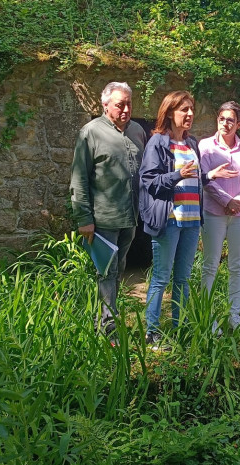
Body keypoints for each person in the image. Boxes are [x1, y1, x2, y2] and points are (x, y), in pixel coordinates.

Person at [139, 91, 238, 347]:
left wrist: (209, 175)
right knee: (161, 277)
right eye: (184, 110)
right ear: (170, 112)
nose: (190, 114)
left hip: (192, 220)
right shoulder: (158, 143)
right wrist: (177, 175)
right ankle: (152, 332)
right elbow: (149, 182)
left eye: (192, 109)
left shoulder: (192, 143)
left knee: (182, 279)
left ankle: (180, 327)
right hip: (169, 219)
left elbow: (192, 178)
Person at [69, 82, 147, 339]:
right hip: (102, 219)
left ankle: (104, 318)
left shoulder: (137, 131)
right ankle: (107, 329)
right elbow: (79, 178)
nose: (126, 109)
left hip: (130, 217)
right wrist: (84, 218)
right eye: (119, 104)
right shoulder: (90, 132)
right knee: (107, 272)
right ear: (105, 105)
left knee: (118, 270)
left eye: (129, 104)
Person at [199, 101, 240, 330]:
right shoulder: (205, 146)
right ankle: (207, 315)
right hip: (214, 213)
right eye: (222, 119)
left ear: (239, 124)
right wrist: (227, 201)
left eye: (230, 120)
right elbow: (205, 179)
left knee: (237, 265)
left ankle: (234, 315)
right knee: (210, 265)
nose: (225, 123)